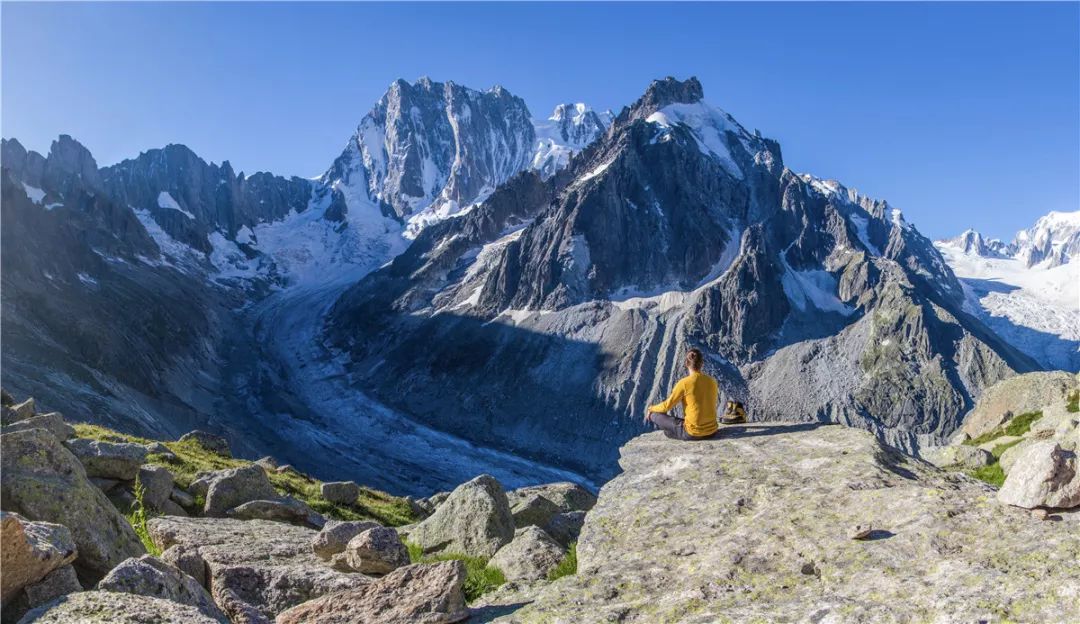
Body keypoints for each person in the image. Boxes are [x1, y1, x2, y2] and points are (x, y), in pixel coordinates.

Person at [643, 348, 719, 440]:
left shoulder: (684, 383)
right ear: (702, 363)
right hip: (712, 431)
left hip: (693, 433)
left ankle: (670, 431)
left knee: (654, 415)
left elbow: (666, 406)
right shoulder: (712, 381)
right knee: (671, 430)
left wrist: (651, 408)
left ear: (686, 364)